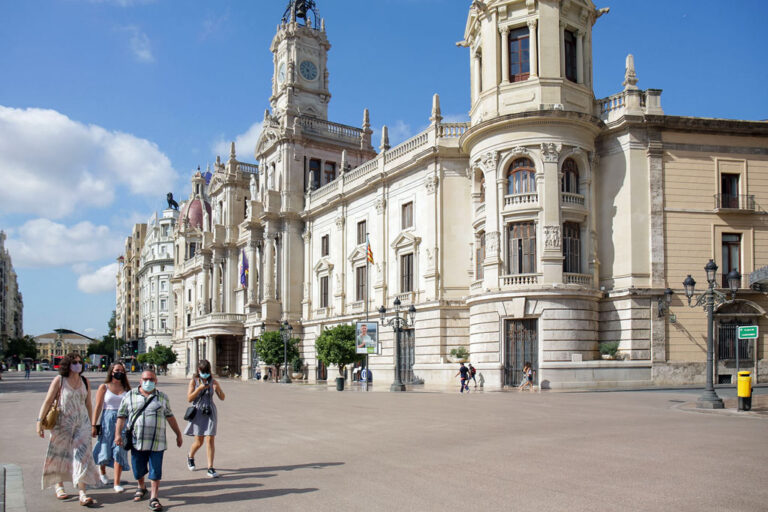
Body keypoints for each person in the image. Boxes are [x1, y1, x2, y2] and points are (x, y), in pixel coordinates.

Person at [36, 353, 100, 506]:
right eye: (74, 362)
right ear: (67, 365)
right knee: (60, 454)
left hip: (82, 423)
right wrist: (39, 422)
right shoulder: (60, 380)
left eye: (80, 362)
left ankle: (82, 492)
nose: (78, 364)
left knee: (83, 455)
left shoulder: (85, 381)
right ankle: (59, 486)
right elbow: (48, 401)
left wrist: (91, 424)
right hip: (62, 423)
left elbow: (88, 404)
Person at [116, 369, 182, 512]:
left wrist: (178, 434)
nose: (148, 382)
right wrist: (117, 435)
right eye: (145, 379)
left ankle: (154, 497)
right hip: (136, 441)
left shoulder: (162, 397)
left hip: (157, 441)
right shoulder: (130, 395)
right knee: (138, 469)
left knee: (155, 470)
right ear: (140, 381)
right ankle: (141, 486)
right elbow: (121, 416)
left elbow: (170, 417)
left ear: (156, 381)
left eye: (151, 379)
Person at [91, 362, 131, 492]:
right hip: (107, 419)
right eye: (117, 370)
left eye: (122, 370)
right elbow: (98, 406)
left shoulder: (126, 388)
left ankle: (116, 483)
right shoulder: (104, 387)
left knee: (119, 450)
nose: (120, 372)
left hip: (123, 420)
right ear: (111, 371)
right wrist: (93, 424)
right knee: (105, 447)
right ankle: (102, 471)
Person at [185, 359, 226, 478]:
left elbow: (222, 397)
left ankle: (210, 467)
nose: (205, 374)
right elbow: (189, 398)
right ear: (199, 370)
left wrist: (217, 388)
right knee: (199, 441)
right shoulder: (194, 381)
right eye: (203, 371)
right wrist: (199, 389)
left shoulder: (213, 381)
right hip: (198, 411)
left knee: (210, 439)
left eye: (207, 371)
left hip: (210, 411)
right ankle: (190, 456)